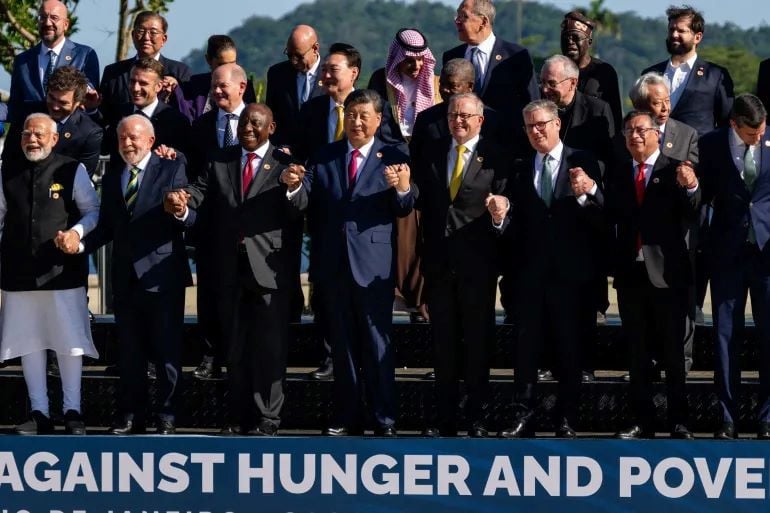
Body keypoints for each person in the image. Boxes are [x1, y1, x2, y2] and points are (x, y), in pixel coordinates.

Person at [167, 104, 304, 436]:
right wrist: (182, 202)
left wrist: (292, 187)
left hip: (268, 273)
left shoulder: (286, 166)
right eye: (244, 122)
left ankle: (268, 418)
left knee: (269, 349)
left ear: (271, 127)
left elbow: (300, 208)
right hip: (228, 270)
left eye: (257, 124)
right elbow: (198, 193)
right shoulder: (220, 160)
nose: (248, 128)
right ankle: (238, 416)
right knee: (235, 349)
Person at [285, 89, 415, 436]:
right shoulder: (325, 155)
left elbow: (404, 206)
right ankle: (347, 415)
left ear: (377, 119)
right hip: (333, 265)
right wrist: (293, 186)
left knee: (377, 344)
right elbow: (303, 200)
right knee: (342, 347)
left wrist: (402, 188)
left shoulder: (394, 155)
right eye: (351, 115)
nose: (356, 122)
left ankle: (384, 417)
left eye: (363, 116)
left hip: (373, 267)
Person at [492, 100, 604, 438]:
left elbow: (604, 217)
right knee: (526, 351)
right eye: (529, 127)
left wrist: (588, 193)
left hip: (571, 277)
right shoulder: (520, 167)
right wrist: (499, 219)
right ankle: (523, 415)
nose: (536, 131)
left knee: (569, 350)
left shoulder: (583, 162)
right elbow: (515, 225)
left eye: (541, 124)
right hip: (530, 277)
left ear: (557, 124)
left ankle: (566, 417)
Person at [84, 114, 194, 435]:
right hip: (125, 278)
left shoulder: (171, 167)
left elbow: (186, 216)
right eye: (122, 138)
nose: (127, 143)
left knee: (166, 352)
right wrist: (77, 246)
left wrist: (181, 210)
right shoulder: (116, 173)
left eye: (134, 137)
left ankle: (168, 415)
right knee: (130, 353)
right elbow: (106, 227)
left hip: (162, 276)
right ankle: (132, 414)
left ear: (150, 140)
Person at [414, 92, 508, 437]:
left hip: (477, 268)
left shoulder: (496, 156)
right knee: (444, 347)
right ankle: (445, 418)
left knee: (478, 346)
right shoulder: (434, 152)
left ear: (480, 120)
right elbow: (423, 205)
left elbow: (505, 212)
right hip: (439, 267)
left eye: (466, 116)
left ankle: (478, 417)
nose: (459, 121)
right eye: (454, 115)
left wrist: (500, 216)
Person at [0, 113, 99, 435]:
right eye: (27, 133)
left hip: (62, 272)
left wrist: (77, 234)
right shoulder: (6, 171)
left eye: (39, 134)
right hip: (18, 272)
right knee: (27, 342)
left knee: (68, 342)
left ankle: (73, 410)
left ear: (54, 138)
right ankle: (39, 411)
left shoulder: (72, 169)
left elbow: (92, 210)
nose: (32, 139)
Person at [608, 111, 699, 440]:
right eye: (629, 131)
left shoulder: (675, 169)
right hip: (632, 276)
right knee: (638, 354)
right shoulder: (619, 173)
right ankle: (642, 420)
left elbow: (692, 213)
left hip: (668, 276)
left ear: (657, 135)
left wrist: (691, 187)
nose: (635, 136)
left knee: (674, 354)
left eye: (642, 130)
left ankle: (678, 420)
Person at [699, 94, 770, 440]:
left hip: (767, 253)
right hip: (726, 253)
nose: (758, 138)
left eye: (762, 130)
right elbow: (700, 196)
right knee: (726, 335)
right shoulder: (711, 144)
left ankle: (767, 416)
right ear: (734, 124)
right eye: (751, 133)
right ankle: (727, 416)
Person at [539, 54, 614, 382]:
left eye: (552, 83)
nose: (546, 88)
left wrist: (591, 189)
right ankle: (546, 360)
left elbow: (611, 160)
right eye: (543, 82)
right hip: (549, 217)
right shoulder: (537, 110)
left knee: (585, 300)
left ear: (573, 82)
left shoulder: (598, 111)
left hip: (584, 217)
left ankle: (584, 364)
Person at [368, 27, 440, 323]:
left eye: (421, 60)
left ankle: (423, 307)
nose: (416, 66)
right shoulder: (380, 82)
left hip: (428, 175)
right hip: (393, 174)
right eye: (409, 60)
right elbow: (378, 129)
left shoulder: (434, 84)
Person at [187, 62, 249, 380]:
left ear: (242, 87)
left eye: (223, 85)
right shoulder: (202, 125)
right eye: (214, 85)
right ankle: (211, 355)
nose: (217, 91)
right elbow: (194, 173)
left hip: (250, 230)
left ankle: (240, 356)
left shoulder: (257, 122)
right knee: (209, 294)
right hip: (211, 225)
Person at [442, 0, 538, 150]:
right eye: (457, 16)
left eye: (463, 16)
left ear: (483, 21)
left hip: (506, 146)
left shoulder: (516, 56)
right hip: (463, 147)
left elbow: (532, 103)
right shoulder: (452, 56)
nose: (457, 21)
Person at [642, 5, 733, 137]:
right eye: (671, 29)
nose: (674, 35)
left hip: (698, 154)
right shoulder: (650, 74)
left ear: (697, 37)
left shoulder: (715, 76)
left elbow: (727, 124)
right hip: (657, 153)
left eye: (681, 31)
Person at [6, 0, 99, 128]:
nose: (47, 23)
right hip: (34, 137)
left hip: (70, 138)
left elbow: (90, 101)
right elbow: (14, 106)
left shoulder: (85, 55)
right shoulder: (22, 61)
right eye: (42, 17)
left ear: (66, 24)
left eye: (54, 18)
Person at [99, 11, 192, 131]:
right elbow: (103, 115)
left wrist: (175, 91)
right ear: (132, 35)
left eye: (153, 32)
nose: (146, 37)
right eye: (141, 31)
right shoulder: (114, 72)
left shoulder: (180, 72)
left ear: (164, 39)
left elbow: (188, 112)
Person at [3, 66, 104, 176]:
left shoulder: (89, 133)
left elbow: (82, 178)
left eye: (63, 103)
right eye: (52, 98)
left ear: (78, 102)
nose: (55, 107)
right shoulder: (26, 114)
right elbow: (9, 159)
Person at [103, 58, 191, 162]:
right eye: (132, 81)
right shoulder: (118, 113)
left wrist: (173, 154)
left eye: (143, 83)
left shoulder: (176, 121)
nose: (136, 88)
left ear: (158, 86)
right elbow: (103, 148)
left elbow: (187, 159)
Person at [560, 10, 622, 133]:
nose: (570, 42)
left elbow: (615, 117)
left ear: (589, 42)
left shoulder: (604, 72)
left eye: (576, 38)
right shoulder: (555, 69)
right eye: (566, 37)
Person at [266, 25, 324, 148]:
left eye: (299, 56)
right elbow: (272, 116)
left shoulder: (329, 74)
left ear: (315, 48)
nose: (294, 61)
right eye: (289, 55)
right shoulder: (277, 74)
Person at [175, 34, 257, 122]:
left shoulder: (244, 86)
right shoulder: (194, 85)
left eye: (232, 63)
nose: (228, 68)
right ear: (208, 60)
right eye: (222, 64)